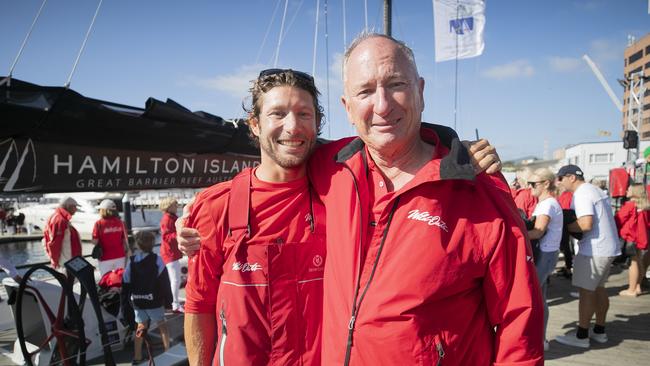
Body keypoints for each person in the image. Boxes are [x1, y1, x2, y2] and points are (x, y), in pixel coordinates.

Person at [180, 68, 505, 365]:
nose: (292, 127)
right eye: (277, 113)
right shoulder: (216, 206)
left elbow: (392, 136)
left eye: (303, 114)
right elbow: (199, 306)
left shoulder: (342, 186)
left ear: (318, 122)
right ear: (255, 123)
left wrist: (456, 150)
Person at [306, 32, 542, 365]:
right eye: (365, 91)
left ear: (421, 91)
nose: (383, 105)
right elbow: (276, 168)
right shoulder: (329, 168)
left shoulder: (478, 189)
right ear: (347, 107)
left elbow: (520, 322)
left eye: (396, 84)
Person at [555, 164, 621, 348]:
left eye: (560, 179)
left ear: (571, 177)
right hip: (607, 248)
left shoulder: (582, 193)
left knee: (586, 293)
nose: (558, 182)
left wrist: (564, 226)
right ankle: (599, 331)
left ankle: (581, 336)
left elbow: (585, 224)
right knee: (599, 289)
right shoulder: (595, 189)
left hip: (594, 250)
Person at [526, 168, 563, 351]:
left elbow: (538, 232)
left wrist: (514, 232)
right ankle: (541, 339)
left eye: (533, 184)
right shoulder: (548, 203)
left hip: (545, 254)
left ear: (546, 184)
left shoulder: (547, 204)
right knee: (541, 297)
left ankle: (538, 340)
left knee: (535, 298)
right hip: (547, 253)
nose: (530, 187)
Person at [122, 230, 172, 364]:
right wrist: (169, 302)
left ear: (138, 245)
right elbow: (165, 282)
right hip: (154, 301)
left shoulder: (131, 262)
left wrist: (125, 303)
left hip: (138, 301)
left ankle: (137, 356)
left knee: (140, 327)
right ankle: (168, 351)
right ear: (152, 244)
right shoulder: (157, 260)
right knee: (162, 326)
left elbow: (125, 282)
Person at [615, 183, 650, 297]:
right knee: (639, 262)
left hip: (631, 237)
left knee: (633, 263)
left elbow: (618, 219)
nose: (626, 191)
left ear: (634, 191)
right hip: (641, 237)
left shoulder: (630, 205)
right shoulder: (645, 206)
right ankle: (637, 286)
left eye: (629, 189)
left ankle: (631, 289)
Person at [43, 196, 82, 272]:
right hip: (65, 264)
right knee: (68, 282)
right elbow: (55, 243)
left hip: (68, 262)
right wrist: (55, 261)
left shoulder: (60, 218)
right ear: (68, 206)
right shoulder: (60, 220)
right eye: (74, 207)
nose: (76, 209)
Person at [159, 197, 184, 313]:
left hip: (172, 253)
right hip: (169, 254)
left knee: (175, 279)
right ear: (169, 206)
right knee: (175, 280)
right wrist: (179, 232)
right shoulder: (167, 219)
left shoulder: (172, 218)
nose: (177, 206)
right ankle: (175, 303)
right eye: (175, 205)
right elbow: (166, 237)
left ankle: (174, 302)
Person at [92, 199, 129, 276]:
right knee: (119, 278)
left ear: (103, 210)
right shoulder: (121, 222)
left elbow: (95, 241)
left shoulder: (99, 223)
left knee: (106, 279)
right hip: (120, 255)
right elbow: (125, 239)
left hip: (105, 256)